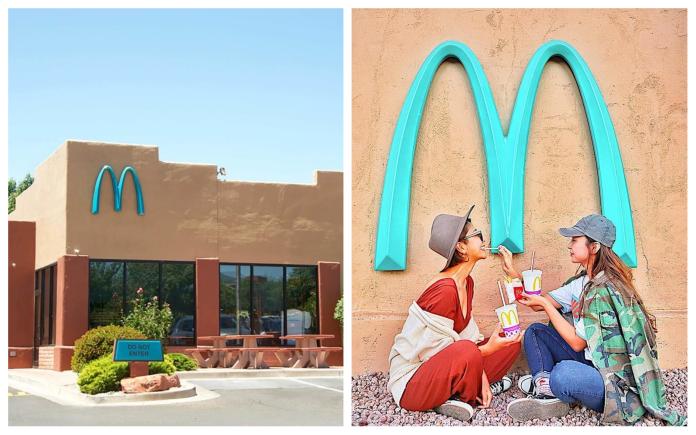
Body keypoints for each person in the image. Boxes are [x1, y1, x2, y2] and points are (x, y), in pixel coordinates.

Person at [504, 214, 686, 425]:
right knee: (536, 332)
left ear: (594, 247)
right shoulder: (582, 282)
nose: (569, 245)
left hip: (613, 380)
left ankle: (551, 385)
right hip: (591, 359)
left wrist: (546, 306)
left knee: (563, 374)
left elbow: (576, 342)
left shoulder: (602, 290)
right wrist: (515, 277)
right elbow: (537, 303)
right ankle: (546, 393)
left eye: (575, 240)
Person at [387, 205, 522, 422]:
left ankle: (455, 397)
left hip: (448, 365)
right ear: (461, 247)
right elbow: (433, 354)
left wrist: (483, 372)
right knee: (469, 350)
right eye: (477, 234)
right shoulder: (444, 291)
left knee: (511, 340)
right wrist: (485, 352)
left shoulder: (466, 282)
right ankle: (462, 397)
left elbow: (465, 337)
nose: (483, 238)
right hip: (413, 383)